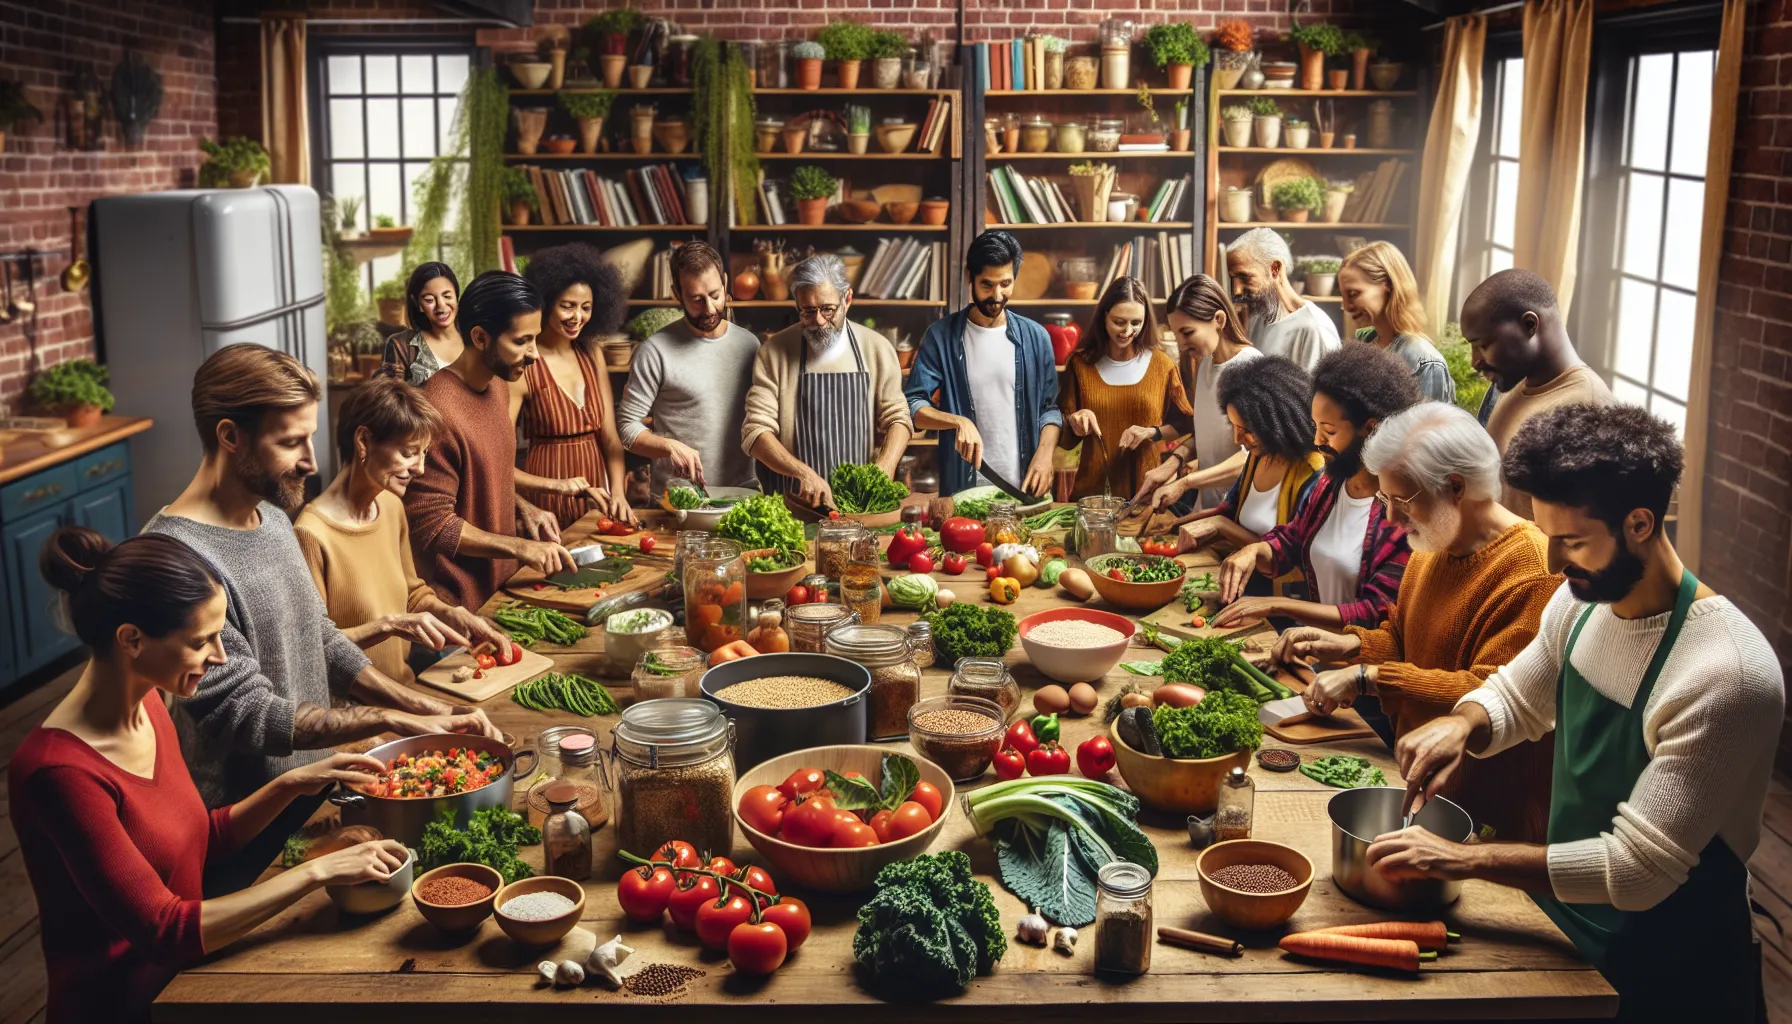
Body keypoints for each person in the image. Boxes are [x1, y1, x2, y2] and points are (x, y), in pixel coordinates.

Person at [1370, 404, 1782, 1020]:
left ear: (1640, 522)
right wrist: (1463, 722)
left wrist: (1467, 859)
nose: (1554, 563)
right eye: (1548, 534)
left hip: (1670, 958)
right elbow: (1519, 695)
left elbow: (1637, 871)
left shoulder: (1726, 674)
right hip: (1566, 912)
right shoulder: (1580, 602)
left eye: (1573, 541)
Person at [12, 527, 412, 1023]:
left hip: (195, 976)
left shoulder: (151, 704)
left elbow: (199, 838)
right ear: (131, 640)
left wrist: (294, 782)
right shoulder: (58, 772)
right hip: (132, 1005)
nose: (221, 656)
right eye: (202, 640)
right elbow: (164, 928)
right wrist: (319, 871)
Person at [143, 344, 496, 896]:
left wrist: (427, 707)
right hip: (244, 836)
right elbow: (249, 713)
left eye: (309, 437)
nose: (311, 459)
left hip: (314, 799)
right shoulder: (173, 558)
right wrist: (396, 723)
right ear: (229, 436)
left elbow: (322, 638)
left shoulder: (272, 518)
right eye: (290, 442)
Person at [1271, 403, 1557, 839]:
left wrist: (1368, 677)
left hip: (1489, 821)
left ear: (1456, 487)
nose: (1389, 518)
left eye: (1401, 501)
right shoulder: (1430, 545)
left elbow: (1489, 695)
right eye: (1384, 499)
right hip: (1420, 786)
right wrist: (1350, 646)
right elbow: (1404, 638)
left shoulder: (1533, 573)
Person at [294, 378, 511, 684]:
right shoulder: (310, 534)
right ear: (363, 442)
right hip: (358, 715)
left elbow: (412, 595)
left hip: (410, 693)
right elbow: (313, 650)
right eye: (409, 453)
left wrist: (454, 613)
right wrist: (389, 625)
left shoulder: (391, 506)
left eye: (423, 454)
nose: (420, 468)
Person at [1213, 343, 1418, 630]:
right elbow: (1292, 540)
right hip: (1314, 653)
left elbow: (1377, 611)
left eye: (1330, 431)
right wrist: (1255, 551)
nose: (1318, 441)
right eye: (1315, 425)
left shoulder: (1401, 514)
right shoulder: (1330, 486)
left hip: (1356, 668)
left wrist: (1276, 605)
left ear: (1370, 428)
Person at [407, 271, 578, 611]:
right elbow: (431, 525)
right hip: (458, 608)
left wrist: (523, 507)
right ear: (481, 337)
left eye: (535, 339)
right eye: (521, 341)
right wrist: (519, 547)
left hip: (500, 591)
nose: (535, 354)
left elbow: (484, 469)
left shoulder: (498, 385)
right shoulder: (436, 409)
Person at [741, 254, 912, 507]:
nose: (819, 321)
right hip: (795, 504)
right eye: (807, 311)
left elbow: (899, 417)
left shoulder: (877, 349)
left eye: (828, 309)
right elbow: (755, 433)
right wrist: (803, 474)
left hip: (860, 507)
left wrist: (885, 466)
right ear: (796, 305)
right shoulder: (774, 352)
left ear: (847, 299)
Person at [906, 230, 1062, 497]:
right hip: (964, 491)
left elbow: (1049, 409)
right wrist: (957, 422)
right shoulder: (941, 336)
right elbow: (913, 405)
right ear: (970, 277)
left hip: (1024, 491)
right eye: (987, 285)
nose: (997, 295)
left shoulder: (1037, 337)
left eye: (1006, 283)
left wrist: (1045, 455)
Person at [1460, 268, 1614, 518]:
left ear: (1529, 325)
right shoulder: (1513, 386)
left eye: (1484, 345)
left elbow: (1579, 538)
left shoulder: (1586, 409)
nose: (1475, 361)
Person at [617, 241, 761, 496]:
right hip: (680, 500)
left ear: (725, 282)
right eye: (696, 299)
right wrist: (668, 446)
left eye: (715, 295)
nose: (709, 309)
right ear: (676, 294)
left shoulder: (750, 345)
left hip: (742, 497)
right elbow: (627, 427)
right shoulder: (655, 351)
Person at [1176, 356, 1326, 590]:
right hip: (1240, 591)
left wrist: (1220, 526)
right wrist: (1175, 525)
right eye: (1233, 427)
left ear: (1278, 422)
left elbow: (1293, 554)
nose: (1237, 439)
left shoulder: (1313, 473)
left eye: (1246, 430)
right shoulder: (1259, 456)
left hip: (1280, 606)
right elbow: (1228, 513)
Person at [515, 243, 634, 527]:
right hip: (545, 493)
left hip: (595, 494)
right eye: (567, 306)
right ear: (545, 303)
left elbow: (610, 439)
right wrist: (549, 488)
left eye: (586, 308)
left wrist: (617, 492)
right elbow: (497, 459)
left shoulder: (592, 354)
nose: (577, 317)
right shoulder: (526, 362)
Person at [1131, 275, 1260, 511]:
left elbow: (1252, 458)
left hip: (1244, 515)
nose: (1181, 344)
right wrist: (1171, 463)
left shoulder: (1251, 368)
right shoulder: (1205, 366)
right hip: (1210, 511)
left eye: (1188, 332)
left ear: (1219, 320)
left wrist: (1185, 482)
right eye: (1176, 334)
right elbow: (1207, 436)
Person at [1057, 276, 1192, 500]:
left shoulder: (1162, 365)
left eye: (1136, 323)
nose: (1128, 331)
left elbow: (1186, 425)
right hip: (1092, 496)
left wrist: (1152, 431)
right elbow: (1063, 431)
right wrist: (1075, 420)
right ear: (1104, 317)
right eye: (1119, 322)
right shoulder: (1080, 365)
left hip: (1146, 494)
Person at [1338, 241, 1454, 404]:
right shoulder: (1365, 343)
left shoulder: (1423, 361)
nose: (1347, 307)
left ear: (1389, 286)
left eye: (1354, 293)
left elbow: (1430, 428)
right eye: (1343, 295)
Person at [1226, 228, 1340, 371]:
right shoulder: (1258, 318)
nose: (1237, 290)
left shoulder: (1315, 329)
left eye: (1245, 277)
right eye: (1233, 279)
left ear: (1275, 269)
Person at [376, 262, 462, 386]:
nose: (441, 306)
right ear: (417, 303)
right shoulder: (400, 345)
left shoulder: (475, 339)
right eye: (429, 300)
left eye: (447, 296)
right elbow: (389, 400)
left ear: (456, 297)